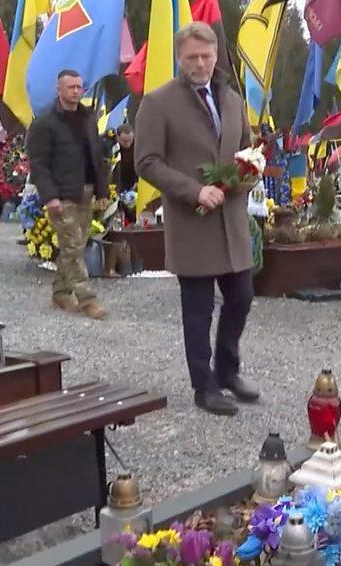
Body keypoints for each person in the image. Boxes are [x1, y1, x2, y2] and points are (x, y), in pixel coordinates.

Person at [136, 22, 258, 416]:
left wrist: (247, 173)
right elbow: (147, 161)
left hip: (232, 222)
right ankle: (203, 386)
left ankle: (227, 372)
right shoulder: (158, 103)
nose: (201, 64)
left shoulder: (232, 99)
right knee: (199, 309)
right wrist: (193, 190)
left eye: (207, 56)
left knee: (241, 298)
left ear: (216, 55)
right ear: (179, 58)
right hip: (193, 223)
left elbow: (245, 149)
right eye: (193, 57)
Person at [27, 70, 109, 320]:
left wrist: (103, 190)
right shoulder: (45, 123)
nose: (76, 91)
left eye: (79, 87)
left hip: (86, 191)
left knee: (76, 246)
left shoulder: (87, 118)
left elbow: (97, 157)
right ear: (58, 90)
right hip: (61, 195)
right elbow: (38, 164)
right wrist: (49, 196)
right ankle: (87, 299)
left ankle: (61, 292)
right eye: (71, 87)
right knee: (73, 246)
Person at [112, 124, 137, 223]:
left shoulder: (137, 146)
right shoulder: (112, 146)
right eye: (124, 141)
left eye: (130, 140)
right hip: (116, 180)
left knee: (131, 206)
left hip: (133, 180)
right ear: (118, 137)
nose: (127, 144)